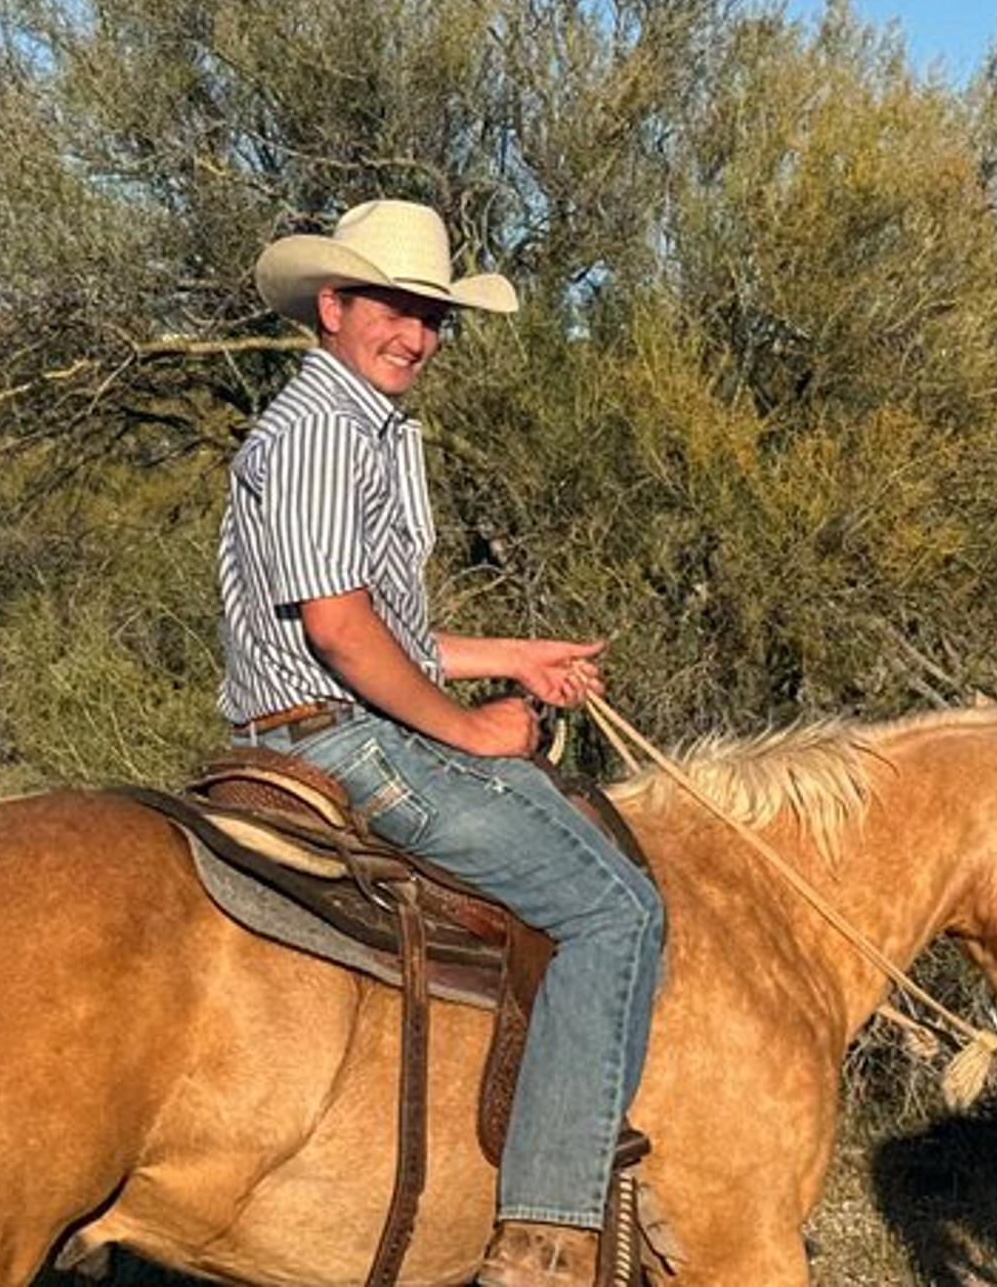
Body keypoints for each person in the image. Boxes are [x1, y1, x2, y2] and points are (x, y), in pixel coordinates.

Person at [217, 199, 664, 1287]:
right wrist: (468, 729)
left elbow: (384, 630)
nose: (414, 336)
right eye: (395, 310)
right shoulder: (325, 426)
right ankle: (547, 1237)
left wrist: (510, 658)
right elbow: (337, 626)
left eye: (431, 317)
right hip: (345, 744)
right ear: (333, 304)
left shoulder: (357, 421)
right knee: (615, 910)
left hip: (331, 719)